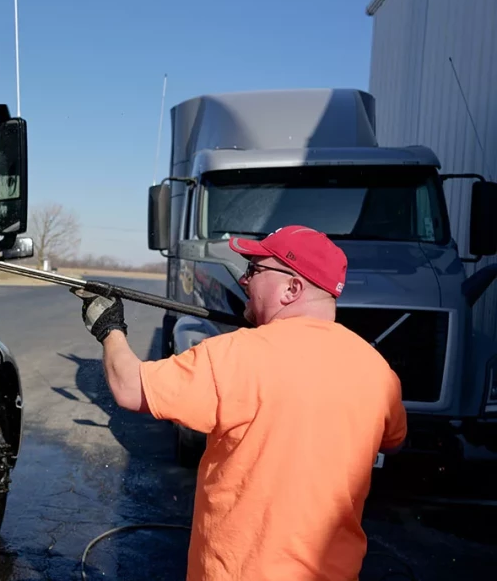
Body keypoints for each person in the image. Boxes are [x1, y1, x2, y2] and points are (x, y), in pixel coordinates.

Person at [73, 225, 408, 581]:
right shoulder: (376, 370)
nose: (245, 280)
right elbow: (393, 440)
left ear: (292, 287)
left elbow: (130, 387)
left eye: (255, 269)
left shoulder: (238, 356)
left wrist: (110, 328)